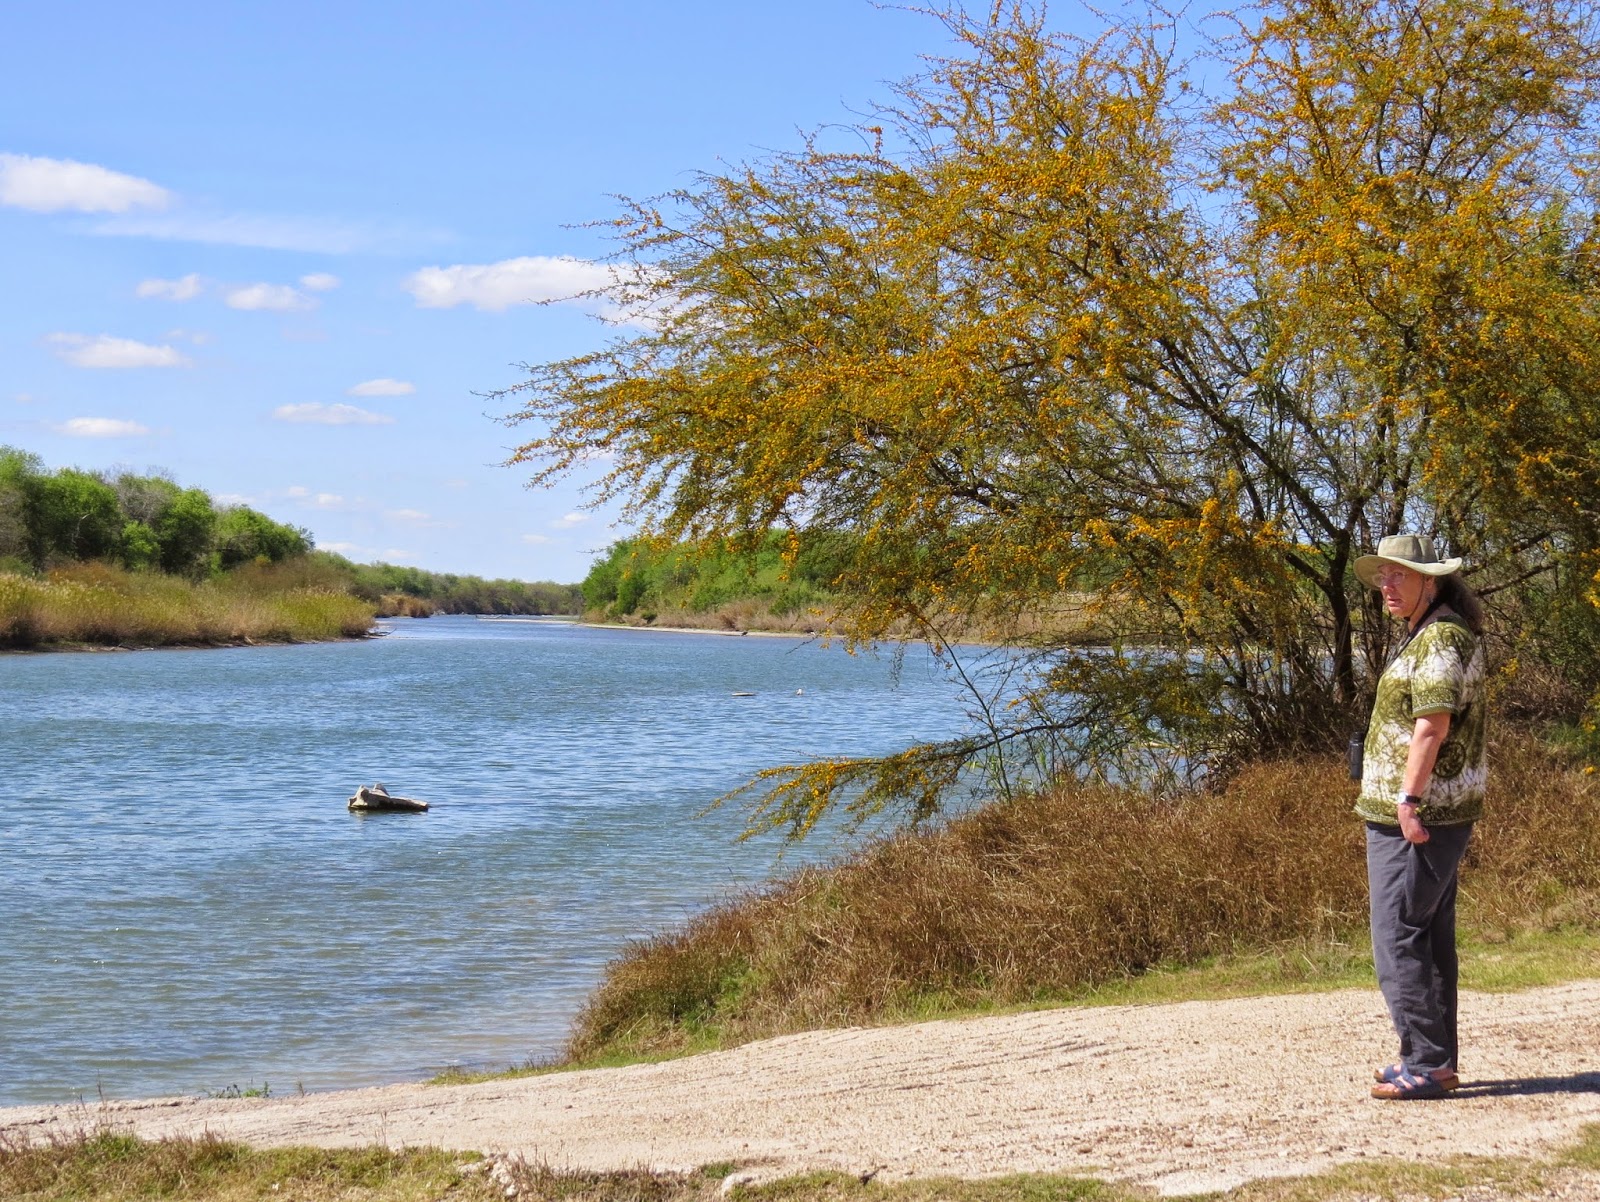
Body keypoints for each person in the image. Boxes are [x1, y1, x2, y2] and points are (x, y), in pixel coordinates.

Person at [1352, 533, 1487, 1101]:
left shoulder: (1440, 639)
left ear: (1430, 580)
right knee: (1426, 936)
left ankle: (1428, 1063)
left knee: (1398, 934)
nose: (1387, 585)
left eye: (1399, 574)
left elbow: (1432, 727)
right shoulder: (1430, 632)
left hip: (1419, 815)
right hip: (1425, 810)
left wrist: (1408, 801)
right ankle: (1433, 1059)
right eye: (1382, 575)